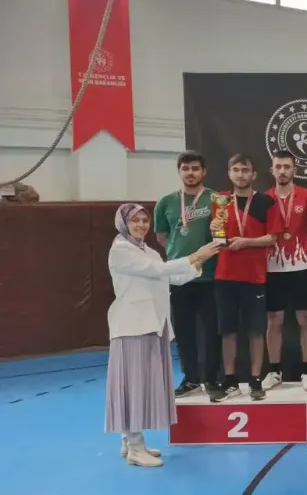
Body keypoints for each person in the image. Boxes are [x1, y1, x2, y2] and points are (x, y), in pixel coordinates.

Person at [106, 203, 221, 467]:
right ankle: (135, 448)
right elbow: (158, 271)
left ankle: (129, 441)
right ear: (123, 223)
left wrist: (199, 261)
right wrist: (194, 254)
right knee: (134, 387)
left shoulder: (148, 251)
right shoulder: (120, 250)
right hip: (133, 326)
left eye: (144, 220)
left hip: (153, 324)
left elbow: (171, 277)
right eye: (134, 220)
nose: (141, 225)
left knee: (139, 386)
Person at [208, 154, 283, 402]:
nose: (241, 174)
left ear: (254, 175)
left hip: (254, 277)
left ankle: (255, 380)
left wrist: (246, 242)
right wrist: (213, 230)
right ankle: (229, 380)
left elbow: (272, 237)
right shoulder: (220, 201)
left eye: (245, 170)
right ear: (229, 173)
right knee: (227, 330)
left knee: (255, 331)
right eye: (236, 170)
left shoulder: (265, 202)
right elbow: (218, 238)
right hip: (225, 275)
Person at [153, 150, 220, 398]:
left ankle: (211, 379)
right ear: (179, 172)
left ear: (204, 172)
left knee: (212, 330)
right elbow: (162, 237)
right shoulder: (166, 202)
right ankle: (191, 378)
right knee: (184, 331)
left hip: (210, 276)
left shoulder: (216, 199)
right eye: (185, 168)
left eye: (195, 168)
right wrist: (180, 258)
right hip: (179, 278)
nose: (190, 173)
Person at [263, 150, 307, 389]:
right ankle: (274, 371)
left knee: (304, 318)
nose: (282, 171)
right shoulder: (264, 199)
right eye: (278, 167)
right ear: (272, 170)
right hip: (272, 268)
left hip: (301, 266)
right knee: (274, 319)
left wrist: (300, 249)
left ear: (294, 169)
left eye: (287, 166)